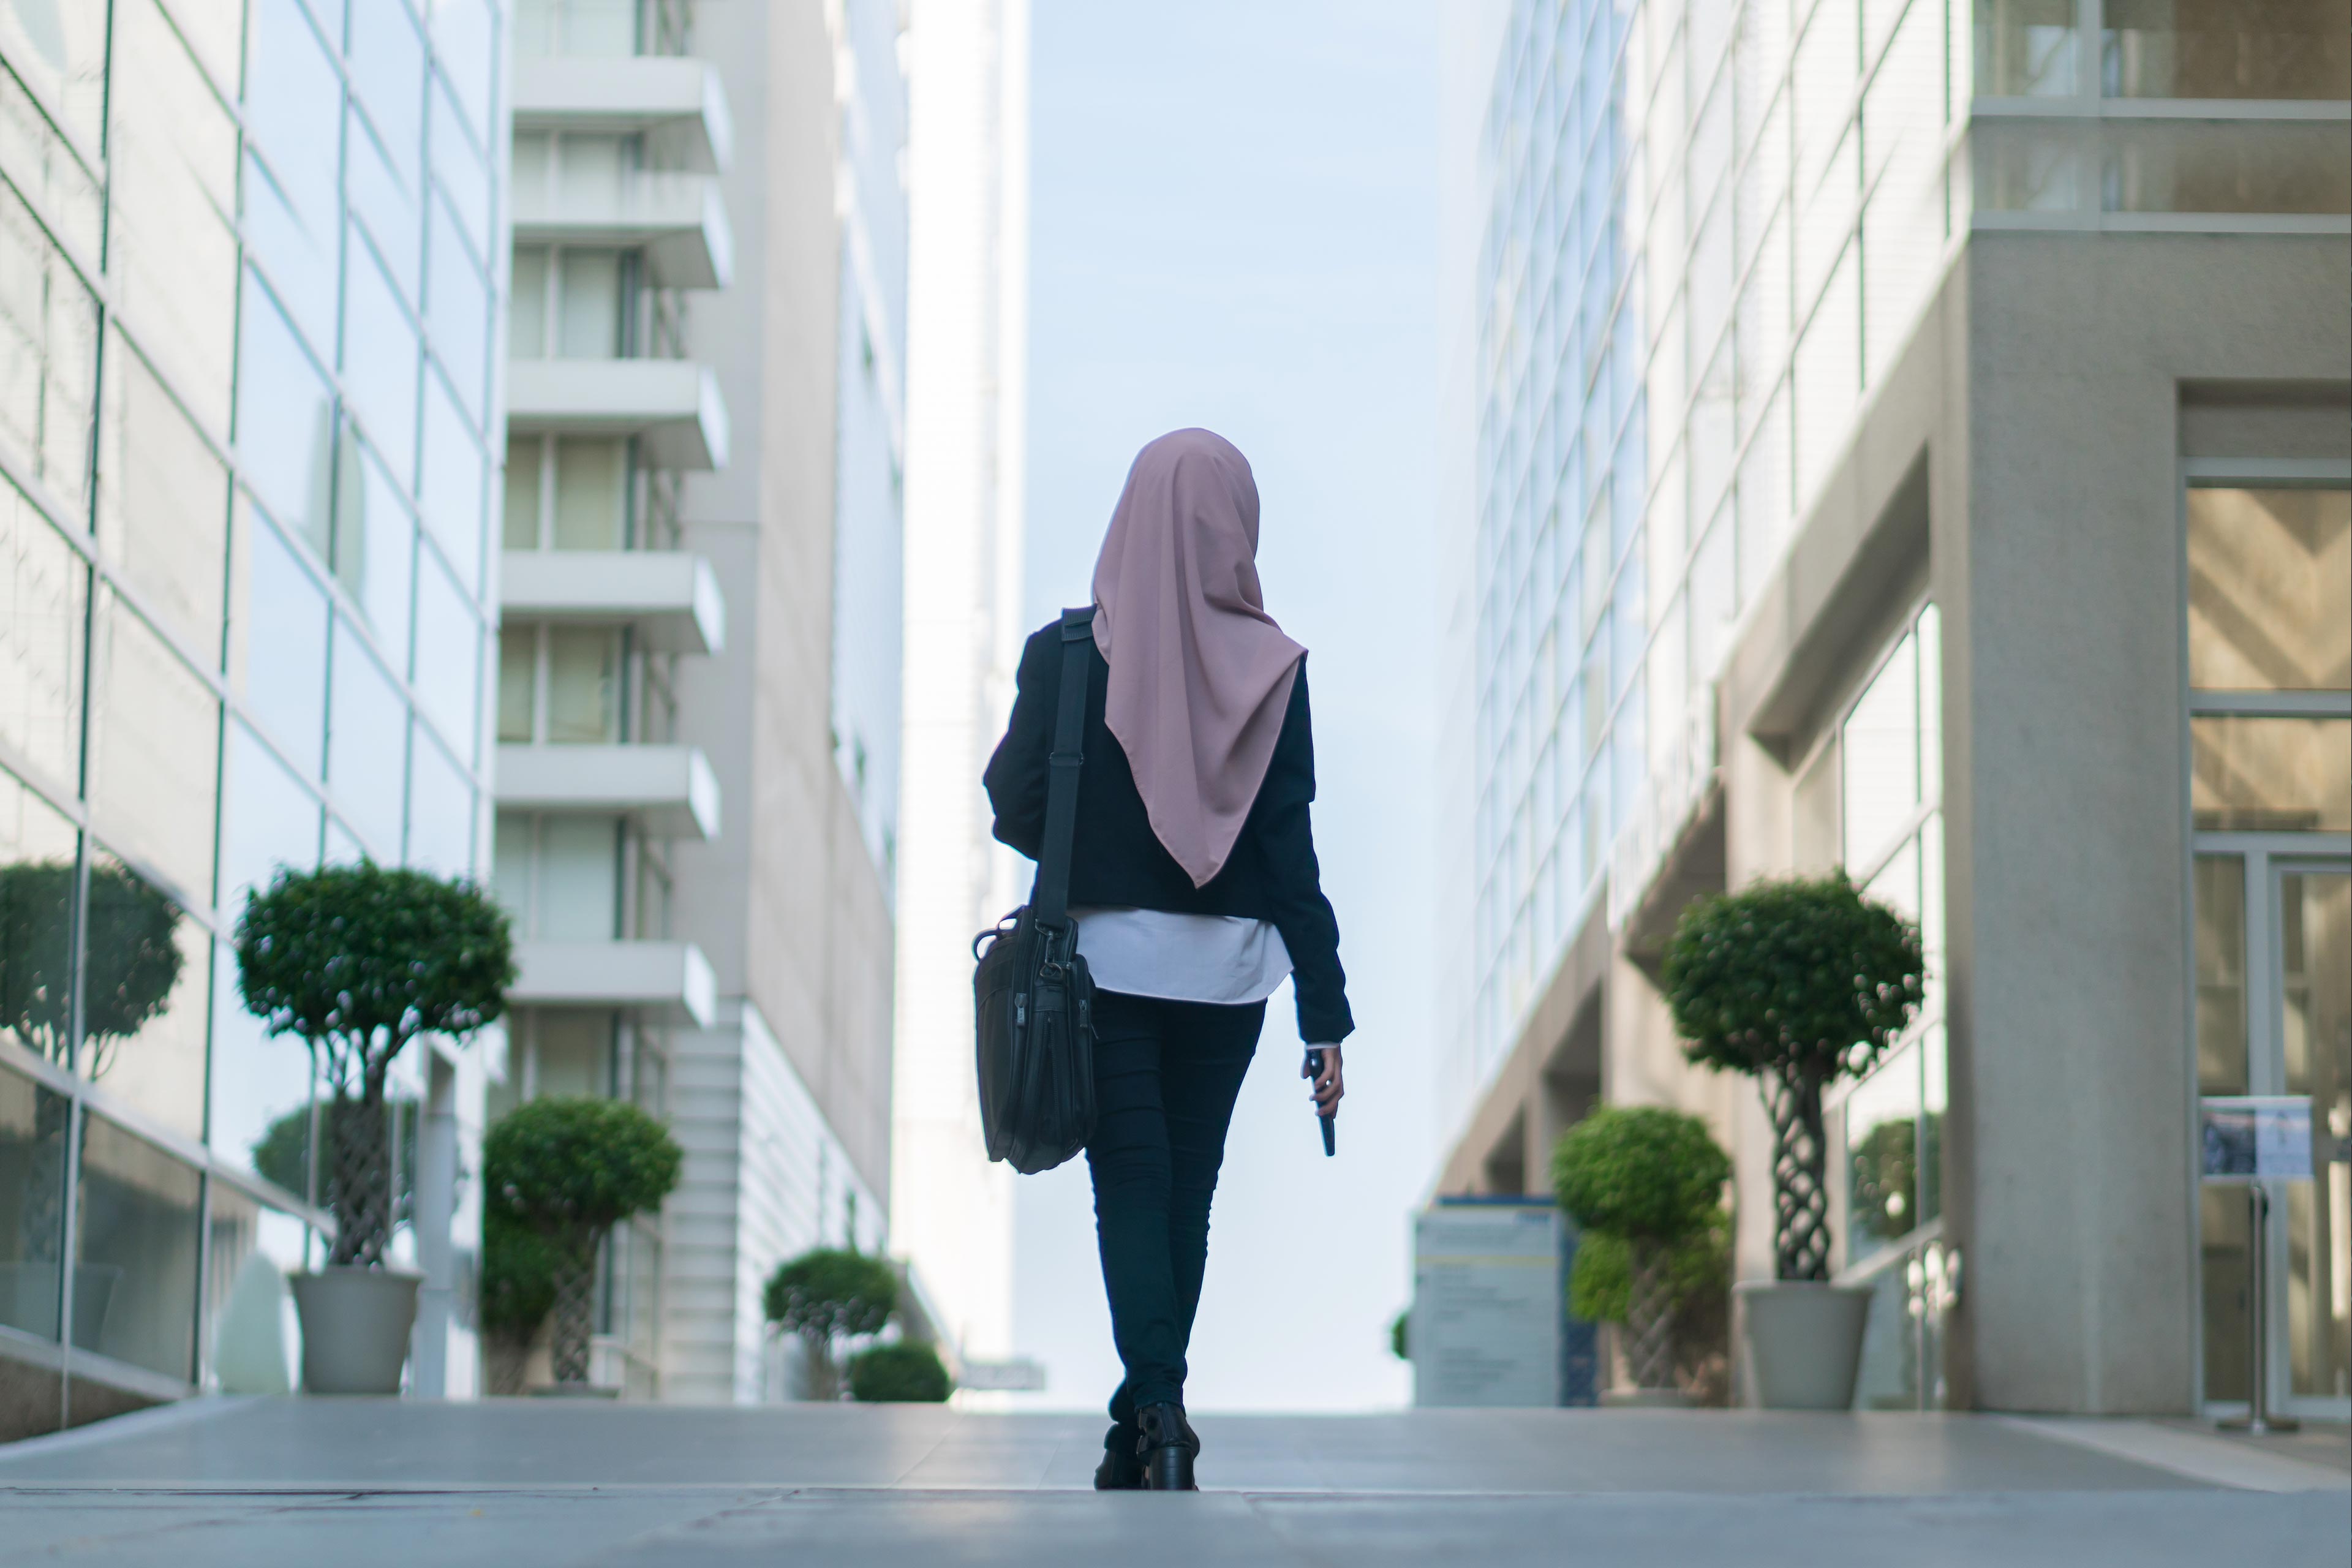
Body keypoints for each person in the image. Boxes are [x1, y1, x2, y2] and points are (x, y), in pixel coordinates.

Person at [984, 428, 1352, 1492]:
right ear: (1238, 526)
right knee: (1185, 1196)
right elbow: (1291, 855)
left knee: (1132, 1191)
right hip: (1233, 975)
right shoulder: (1277, 674)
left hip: (1103, 967)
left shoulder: (1063, 657)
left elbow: (1014, 803)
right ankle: (1153, 1407)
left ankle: (1152, 1409)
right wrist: (1323, 1015)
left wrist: (1104, 837)